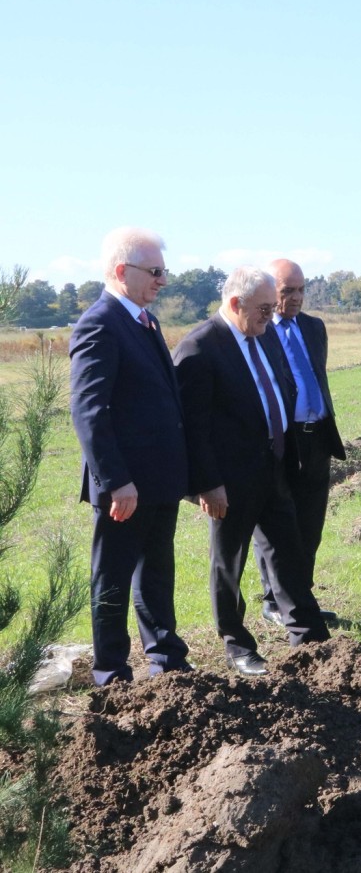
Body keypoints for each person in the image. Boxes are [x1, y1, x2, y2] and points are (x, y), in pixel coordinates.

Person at [174, 267, 331, 676]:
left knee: (288, 554)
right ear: (235, 304)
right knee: (229, 563)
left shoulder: (264, 336)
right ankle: (236, 644)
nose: (272, 314)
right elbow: (192, 427)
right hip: (228, 481)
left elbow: (279, 389)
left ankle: (310, 639)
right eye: (264, 308)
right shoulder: (200, 348)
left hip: (271, 468)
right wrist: (208, 485)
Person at [68, 227, 192, 686]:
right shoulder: (100, 323)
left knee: (157, 575)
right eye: (154, 271)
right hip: (125, 487)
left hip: (158, 481)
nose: (162, 280)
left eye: (164, 271)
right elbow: (89, 410)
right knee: (114, 580)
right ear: (122, 272)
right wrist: (116, 480)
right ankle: (111, 674)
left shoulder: (145, 320)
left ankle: (167, 661)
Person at [253, 259, 345, 626]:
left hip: (317, 437)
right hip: (282, 441)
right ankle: (274, 601)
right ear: (268, 291)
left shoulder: (313, 327)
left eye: (301, 289)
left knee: (310, 523)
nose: (296, 298)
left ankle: (300, 598)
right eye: (286, 290)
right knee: (277, 524)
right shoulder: (258, 331)